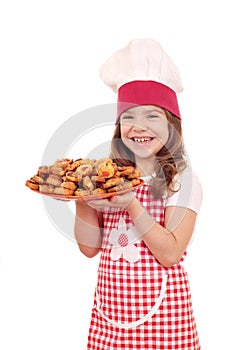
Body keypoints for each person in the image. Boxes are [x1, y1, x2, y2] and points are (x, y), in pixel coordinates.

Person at [74, 38, 202, 350]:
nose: (137, 126)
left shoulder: (182, 180)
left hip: (165, 321)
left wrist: (131, 203)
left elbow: (170, 253)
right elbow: (89, 248)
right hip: (110, 321)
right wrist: (81, 198)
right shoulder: (107, 174)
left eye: (152, 116)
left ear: (172, 123)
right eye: (129, 116)